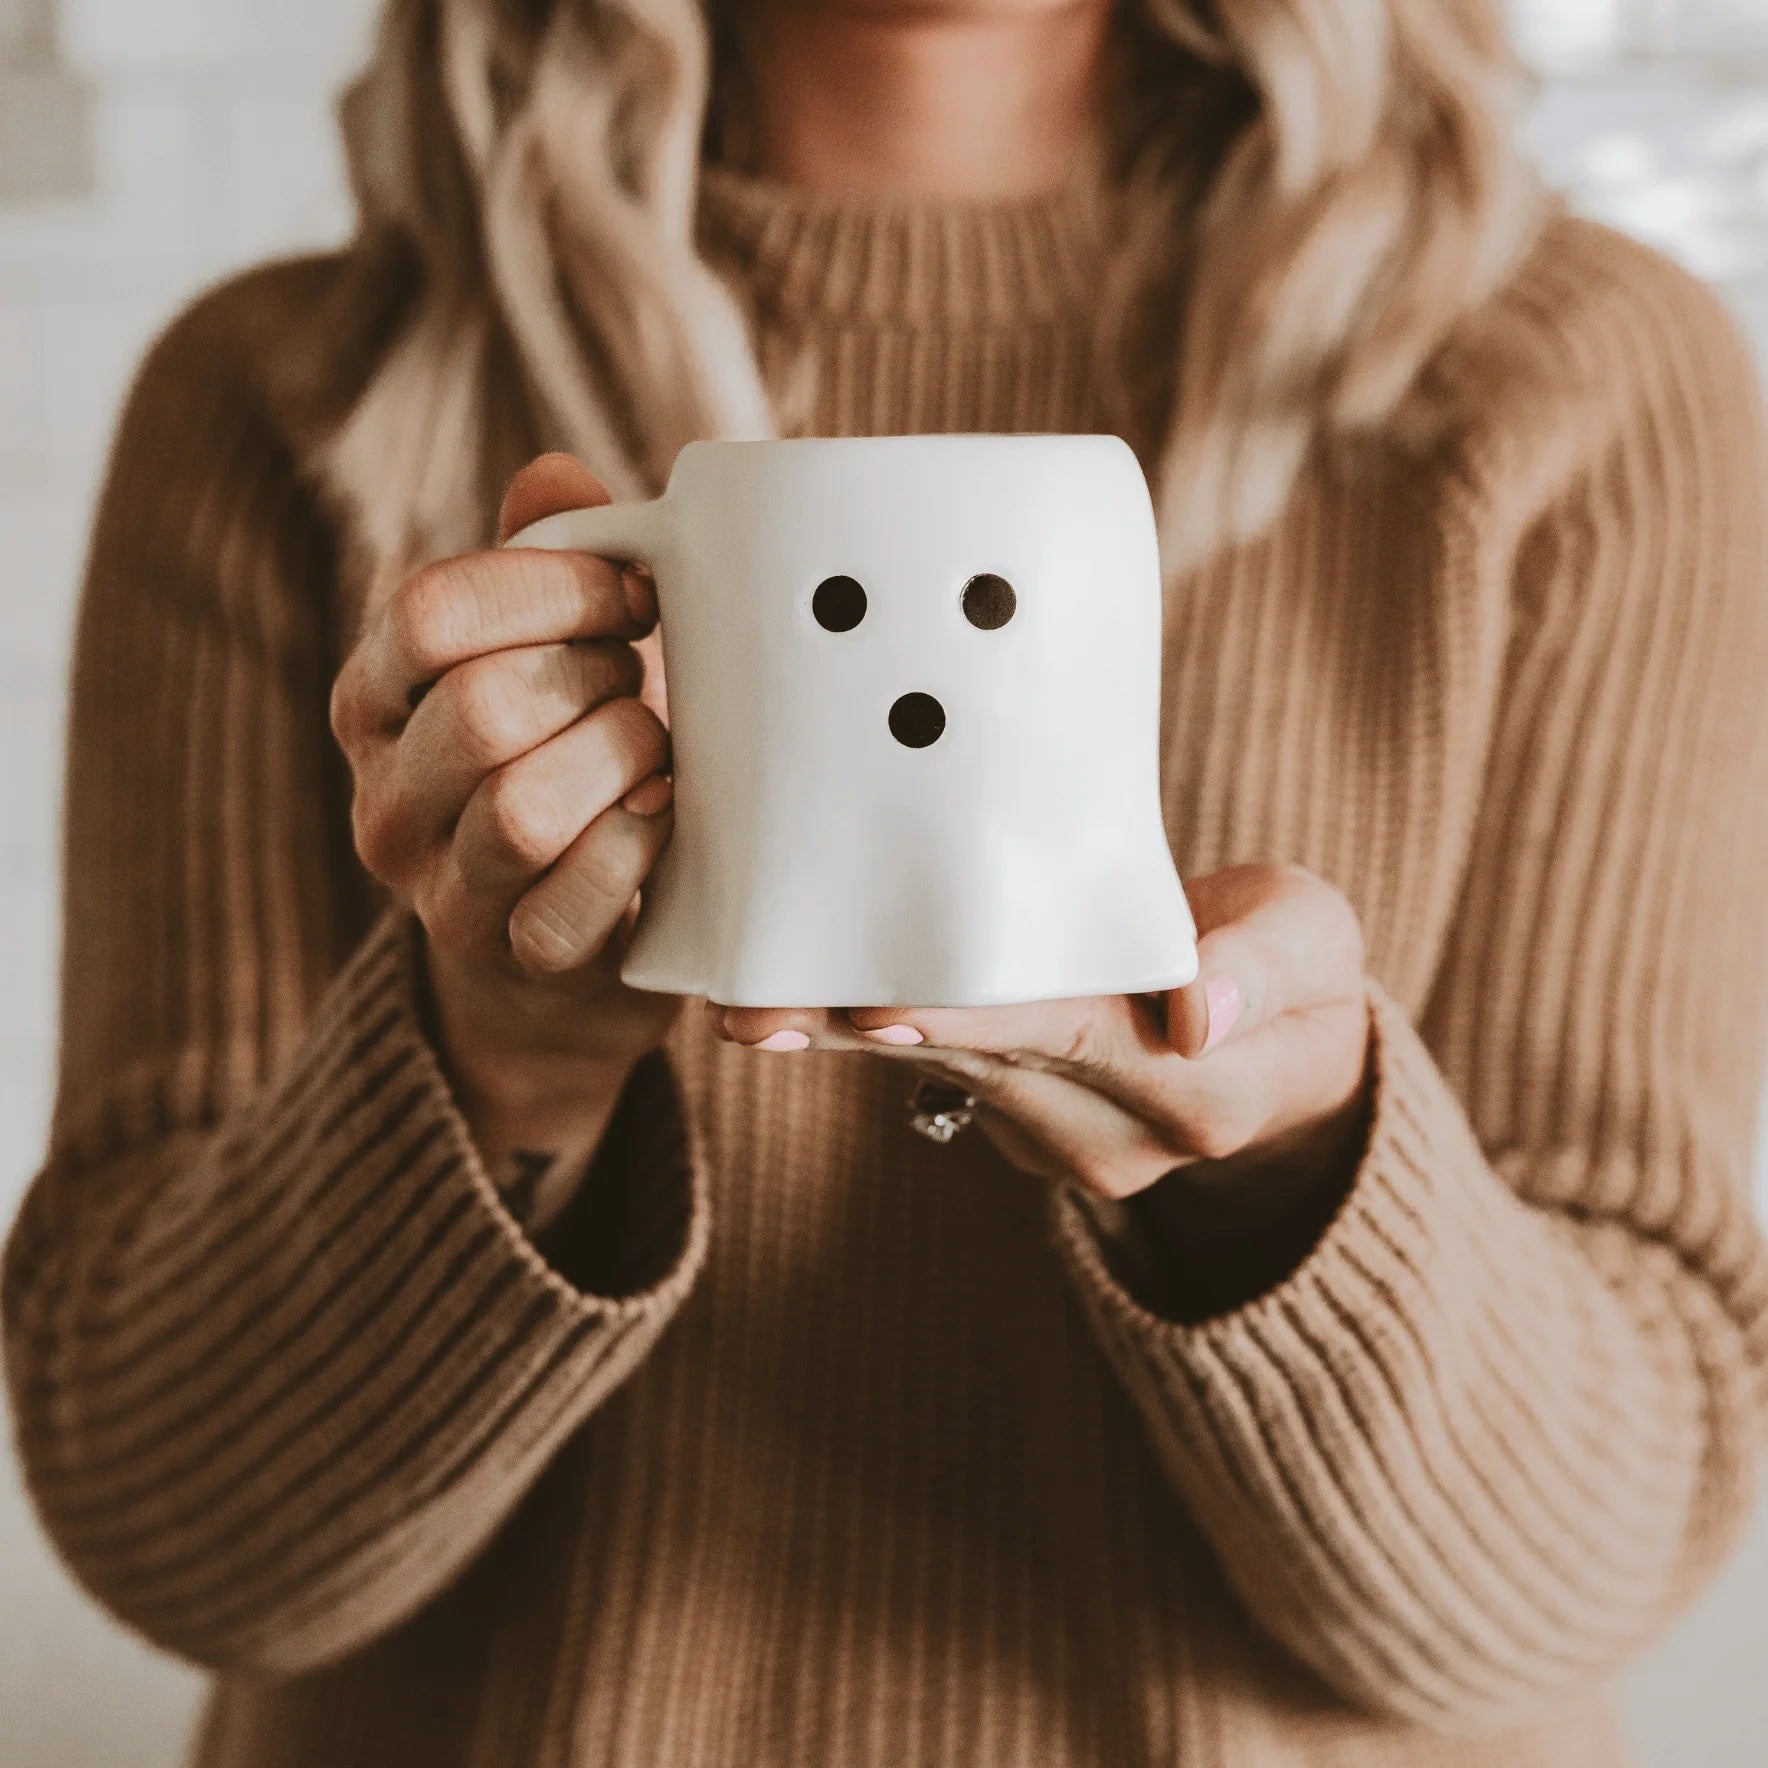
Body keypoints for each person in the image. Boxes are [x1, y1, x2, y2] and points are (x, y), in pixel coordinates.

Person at [5, 0, 1767, 1761]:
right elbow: (181, 1538)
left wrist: (1288, 1178)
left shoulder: (1582, 381)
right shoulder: (287, 397)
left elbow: (1598, 1558)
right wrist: (503, 1060)